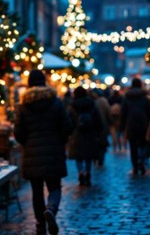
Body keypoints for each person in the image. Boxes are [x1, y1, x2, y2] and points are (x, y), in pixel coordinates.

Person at [15, 70, 73, 235]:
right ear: (45, 81)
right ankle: (51, 209)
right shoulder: (56, 102)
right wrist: (59, 141)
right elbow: (67, 126)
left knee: (36, 190)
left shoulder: (24, 105)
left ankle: (40, 224)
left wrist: (28, 143)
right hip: (54, 151)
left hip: (32, 154)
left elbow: (18, 132)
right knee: (55, 187)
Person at [67, 86, 103, 186]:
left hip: (76, 134)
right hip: (90, 134)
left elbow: (68, 122)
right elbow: (98, 120)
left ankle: (81, 172)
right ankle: (88, 172)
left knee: (79, 157)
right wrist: (99, 131)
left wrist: (68, 133)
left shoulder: (72, 106)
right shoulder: (92, 104)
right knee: (88, 156)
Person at [121, 78, 150, 175]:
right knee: (143, 145)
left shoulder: (127, 98)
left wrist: (123, 126)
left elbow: (123, 113)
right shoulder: (145, 98)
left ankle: (135, 166)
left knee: (133, 147)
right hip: (144, 125)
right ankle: (141, 160)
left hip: (131, 125)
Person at [92, 89, 111, 166]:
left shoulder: (92, 101)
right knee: (102, 143)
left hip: (94, 126)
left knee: (95, 143)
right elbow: (108, 113)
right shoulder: (104, 101)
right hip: (103, 125)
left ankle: (96, 158)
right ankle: (101, 159)